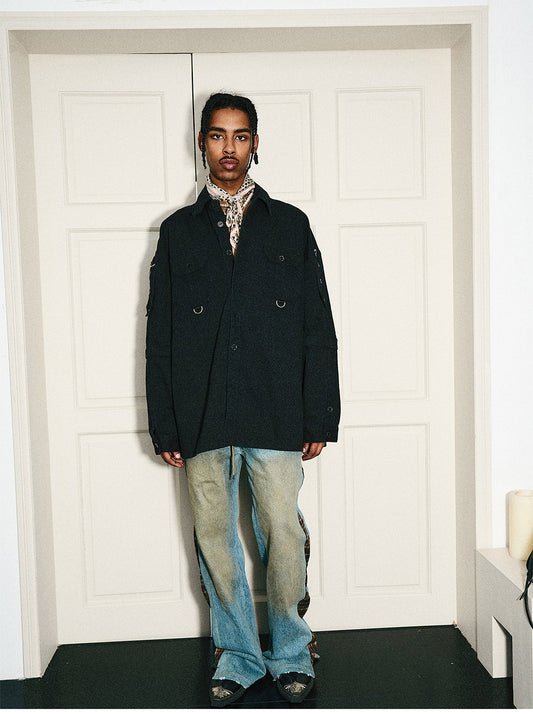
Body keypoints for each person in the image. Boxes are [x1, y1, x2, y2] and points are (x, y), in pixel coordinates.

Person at [145, 92, 340, 707]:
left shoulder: (290, 225)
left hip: (277, 408)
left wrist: (319, 413)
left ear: (256, 143)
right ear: (202, 142)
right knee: (214, 537)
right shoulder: (178, 233)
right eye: (217, 135)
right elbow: (160, 333)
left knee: (281, 531)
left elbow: (317, 324)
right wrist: (165, 423)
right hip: (202, 411)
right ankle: (237, 655)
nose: (228, 148)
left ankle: (291, 649)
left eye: (240, 135)